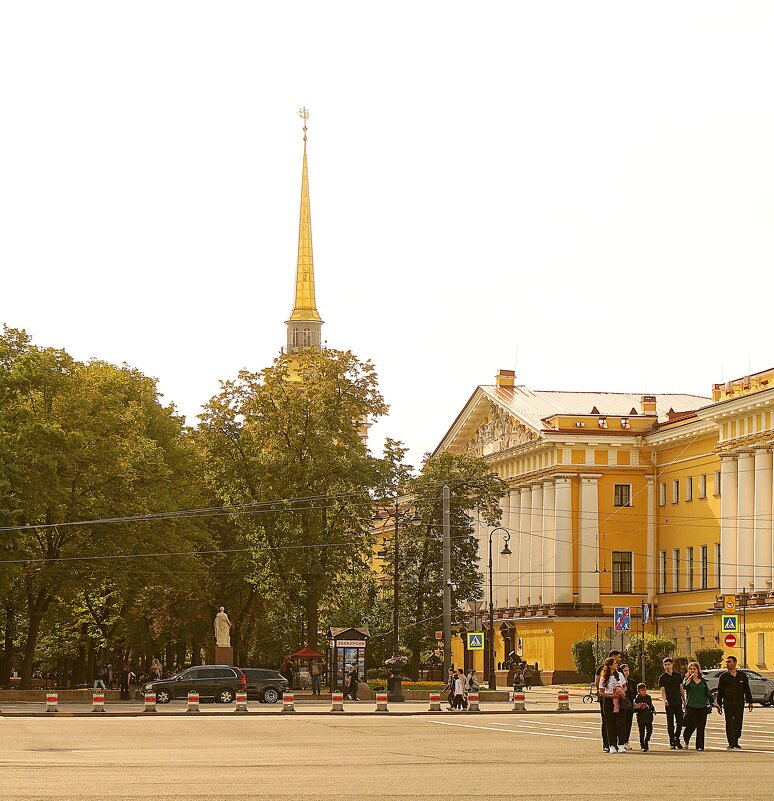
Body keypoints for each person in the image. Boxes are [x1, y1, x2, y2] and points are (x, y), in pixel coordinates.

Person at [715, 655, 753, 750]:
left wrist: (750, 701)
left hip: (739, 703)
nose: (727, 664)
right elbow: (720, 691)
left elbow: (746, 689)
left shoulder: (742, 676)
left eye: (729, 662)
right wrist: (718, 704)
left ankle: (736, 741)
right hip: (728, 703)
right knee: (729, 723)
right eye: (726, 662)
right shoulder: (723, 677)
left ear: (735, 663)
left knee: (738, 722)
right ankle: (731, 742)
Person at [682, 661, 713, 751]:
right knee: (691, 726)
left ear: (698, 669)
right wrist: (690, 678)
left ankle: (699, 746)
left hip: (702, 706)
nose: (692, 670)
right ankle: (686, 741)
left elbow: (707, 692)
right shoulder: (687, 679)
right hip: (691, 706)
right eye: (691, 669)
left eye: (694, 669)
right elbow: (684, 687)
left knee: (701, 727)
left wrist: (713, 702)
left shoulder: (702, 680)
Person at [595, 650, 622, 753]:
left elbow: (623, 683)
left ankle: (617, 743)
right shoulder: (601, 669)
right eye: (617, 658)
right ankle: (606, 744)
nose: (619, 660)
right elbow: (597, 683)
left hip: (617, 699)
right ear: (612, 657)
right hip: (605, 699)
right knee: (606, 722)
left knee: (617, 722)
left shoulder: (618, 671)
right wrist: (609, 692)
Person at [599, 657, 626, 754]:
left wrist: (621, 692)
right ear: (610, 665)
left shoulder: (619, 675)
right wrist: (611, 695)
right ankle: (612, 745)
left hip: (619, 701)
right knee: (610, 724)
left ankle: (621, 744)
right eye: (614, 663)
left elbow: (625, 686)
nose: (616, 664)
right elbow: (601, 692)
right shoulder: (604, 677)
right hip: (608, 702)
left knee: (621, 723)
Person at [658, 657, 685, 749]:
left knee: (680, 721)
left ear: (672, 665)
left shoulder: (677, 676)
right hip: (669, 703)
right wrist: (665, 700)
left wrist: (684, 700)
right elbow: (663, 690)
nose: (667, 666)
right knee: (670, 723)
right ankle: (672, 741)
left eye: (669, 664)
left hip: (678, 702)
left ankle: (676, 738)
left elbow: (681, 688)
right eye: (665, 665)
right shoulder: (662, 677)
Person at [619, 664, 637, 750]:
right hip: (622, 705)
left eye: (628, 670)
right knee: (622, 723)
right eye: (625, 670)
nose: (627, 672)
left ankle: (626, 741)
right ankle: (621, 741)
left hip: (630, 706)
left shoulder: (632, 682)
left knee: (629, 723)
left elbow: (634, 694)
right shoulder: (619, 681)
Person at [634, 683, 655, 752]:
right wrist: (639, 707)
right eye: (642, 690)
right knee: (641, 732)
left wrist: (653, 710)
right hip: (641, 718)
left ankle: (646, 742)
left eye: (645, 690)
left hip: (648, 717)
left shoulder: (648, 697)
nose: (644, 692)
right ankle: (642, 745)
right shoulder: (637, 699)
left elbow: (651, 705)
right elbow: (635, 709)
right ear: (638, 691)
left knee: (650, 731)